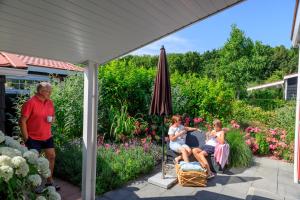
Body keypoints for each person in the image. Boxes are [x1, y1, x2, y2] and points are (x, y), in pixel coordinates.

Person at [19, 82, 60, 191]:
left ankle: (49, 181)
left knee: (51, 157)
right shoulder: (30, 103)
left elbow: (53, 115)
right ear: (41, 91)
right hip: (33, 138)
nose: (50, 92)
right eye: (48, 90)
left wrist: (53, 119)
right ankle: (34, 185)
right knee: (33, 162)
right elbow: (22, 121)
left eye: (50, 90)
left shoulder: (50, 103)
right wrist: (26, 138)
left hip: (47, 136)